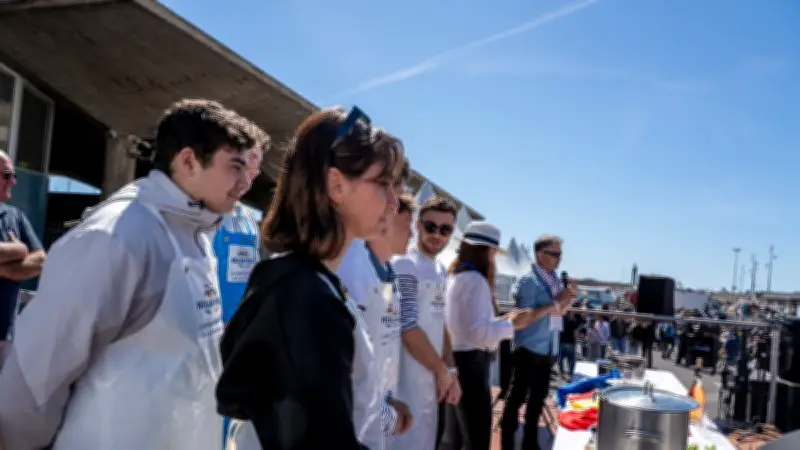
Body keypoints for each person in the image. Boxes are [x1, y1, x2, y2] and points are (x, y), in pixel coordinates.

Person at [0, 99, 267, 449]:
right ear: (188, 161)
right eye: (235, 166)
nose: (247, 182)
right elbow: (36, 377)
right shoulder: (118, 235)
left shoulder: (196, 233)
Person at [216, 106, 405, 450]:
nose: (394, 202)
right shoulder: (307, 298)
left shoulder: (292, 277)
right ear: (336, 185)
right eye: (383, 183)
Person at [335, 165, 415, 450]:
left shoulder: (387, 273)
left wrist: (387, 402)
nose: (412, 236)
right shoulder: (350, 268)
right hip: (357, 423)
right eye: (409, 227)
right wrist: (384, 412)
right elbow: (344, 375)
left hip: (378, 411)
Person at [440, 222, 536, 450]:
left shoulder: (455, 276)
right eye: (493, 252)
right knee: (476, 439)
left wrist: (503, 322)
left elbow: (465, 326)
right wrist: (512, 324)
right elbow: (479, 334)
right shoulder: (476, 281)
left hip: (455, 361)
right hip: (471, 366)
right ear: (487, 251)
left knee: (453, 439)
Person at [392, 195, 462, 450]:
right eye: (430, 226)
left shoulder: (440, 269)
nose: (437, 235)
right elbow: (406, 325)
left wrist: (450, 370)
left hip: (431, 378)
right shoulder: (404, 264)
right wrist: (442, 371)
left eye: (445, 229)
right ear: (418, 225)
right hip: (404, 378)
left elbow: (439, 320)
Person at [501, 234, 575, 450]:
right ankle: (507, 440)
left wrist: (568, 299)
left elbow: (558, 311)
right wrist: (556, 302)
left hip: (548, 347)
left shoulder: (554, 280)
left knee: (538, 398)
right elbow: (523, 317)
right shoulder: (528, 281)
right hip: (529, 347)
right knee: (517, 397)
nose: (559, 259)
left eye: (560, 254)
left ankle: (529, 442)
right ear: (540, 254)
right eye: (554, 254)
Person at [214, 147, 267, 325]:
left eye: (254, 171)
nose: (247, 178)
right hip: (207, 328)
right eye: (249, 158)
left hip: (239, 326)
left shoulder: (247, 218)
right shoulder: (204, 211)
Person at [0, 150, 46, 343]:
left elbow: (41, 260)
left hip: (5, 336)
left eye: (14, 175)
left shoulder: (15, 217)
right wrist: (17, 250)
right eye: (7, 175)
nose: (13, 182)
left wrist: (5, 268)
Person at [558, 309, 581, 379]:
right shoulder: (573, 321)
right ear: (571, 313)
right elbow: (575, 333)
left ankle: (561, 372)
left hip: (561, 341)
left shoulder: (560, 319)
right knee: (571, 359)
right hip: (570, 342)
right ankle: (570, 373)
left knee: (561, 358)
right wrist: (576, 341)